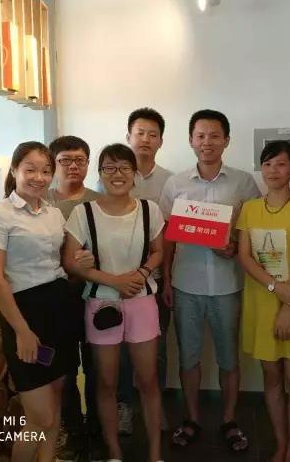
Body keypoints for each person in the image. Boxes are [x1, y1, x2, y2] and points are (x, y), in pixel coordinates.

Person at [0, 142, 93, 462]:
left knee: (55, 404)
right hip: (24, 314)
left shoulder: (53, 213)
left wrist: (82, 261)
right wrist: (22, 331)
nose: (39, 177)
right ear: (14, 170)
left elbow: (61, 261)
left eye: (45, 171)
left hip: (59, 310)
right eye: (30, 170)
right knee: (39, 416)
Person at [159, 109, 261, 452]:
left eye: (215, 135)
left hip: (228, 284)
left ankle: (229, 419)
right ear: (191, 140)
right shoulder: (176, 184)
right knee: (188, 357)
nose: (207, 142)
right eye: (200, 135)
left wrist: (235, 246)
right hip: (185, 284)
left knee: (228, 358)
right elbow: (167, 236)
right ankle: (192, 419)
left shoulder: (244, 182)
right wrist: (166, 279)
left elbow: (253, 230)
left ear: (226, 140)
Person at [63, 144, 165, 462]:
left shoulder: (149, 209)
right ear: (101, 173)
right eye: (109, 167)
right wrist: (113, 281)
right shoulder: (83, 213)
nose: (117, 174)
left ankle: (155, 453)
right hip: (101, 304)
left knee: (148, 380)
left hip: (142, 300)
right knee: (106, 382)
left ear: (135, 174)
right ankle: (114, 452)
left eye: (124, 168)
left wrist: (141, 273)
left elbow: (159, 251)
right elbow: (70, 262)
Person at [236, 141, 290, 462]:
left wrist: (288, 306)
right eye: (268, 164)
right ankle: (281, 444)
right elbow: (245, 257)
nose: (273, 170)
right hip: (262, 302)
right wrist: (275, 287)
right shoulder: (249, 209)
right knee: (271, 378)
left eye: (281, 164)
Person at [110, 108, 174, 435]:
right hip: (115, 282)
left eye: (152, 134)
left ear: (161, 140)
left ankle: (155, 406)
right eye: (140, 133)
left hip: (155, 279)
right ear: (128, 137)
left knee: (157, 349)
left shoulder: (171, 181)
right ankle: (124, 406)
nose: (145, 139)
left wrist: (168, 278)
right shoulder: (111, 177)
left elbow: (173, 236)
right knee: (120, 351)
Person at [45, 136, 100, 462]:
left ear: (88, 164)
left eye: (80, 160)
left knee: (97, 364)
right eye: (65, 160)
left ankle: (96, 427)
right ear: (54, 164)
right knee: (64, 367)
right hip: (55, 296)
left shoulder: (99, 201)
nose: (73, 166)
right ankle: (73, 429)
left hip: (94, 292)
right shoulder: (43, 201)